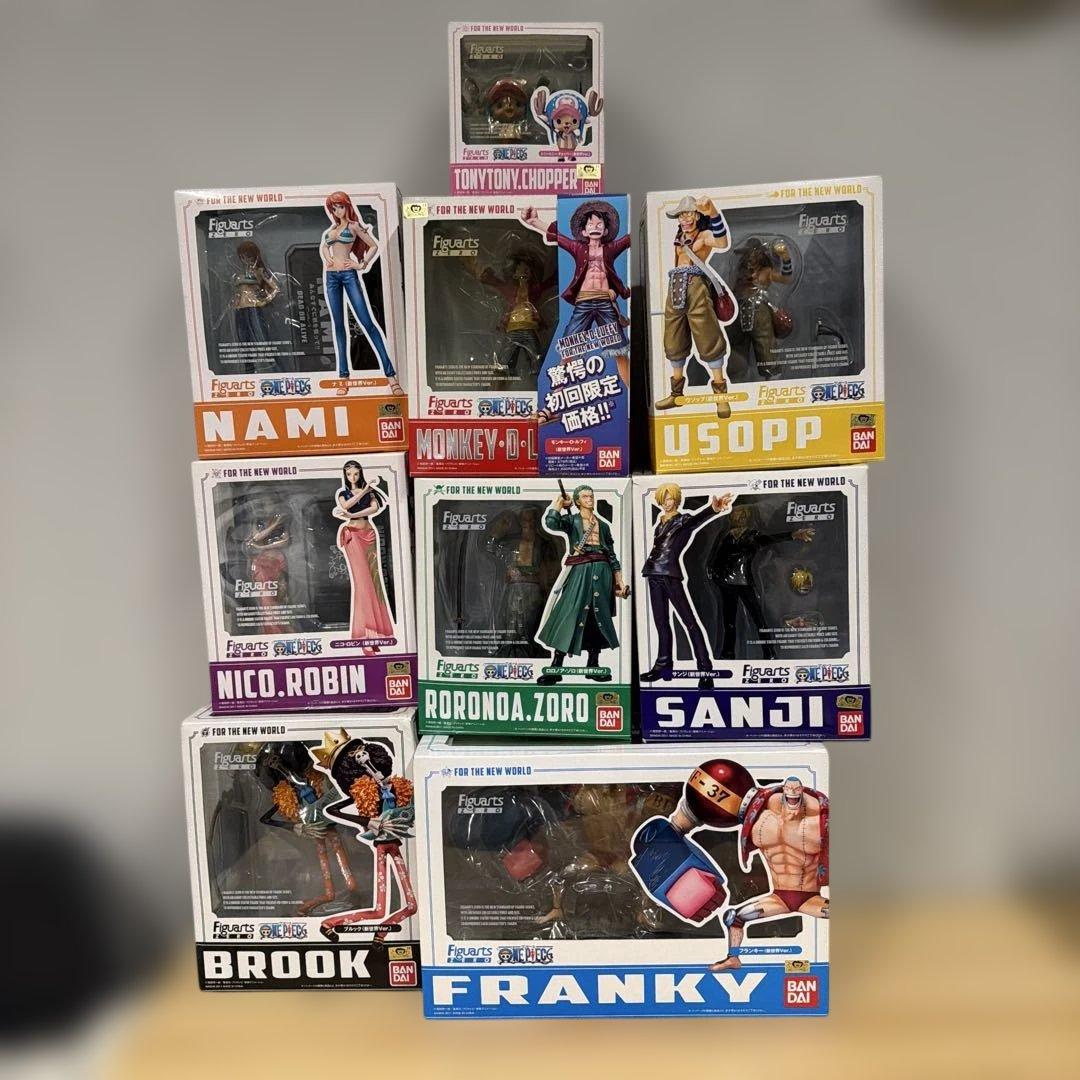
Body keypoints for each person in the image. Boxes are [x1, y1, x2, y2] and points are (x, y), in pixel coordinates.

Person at [311, 731, 417, 947]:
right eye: (354, 755)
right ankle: (329, 923)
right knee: (379, 909)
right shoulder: (360, 792)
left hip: (396, 844)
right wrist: (367, 821)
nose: (361, 755)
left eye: (361, 751)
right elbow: (333, 810)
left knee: (412, 906)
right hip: (381, 846)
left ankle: (381, 932)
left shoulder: (396, 786)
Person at [520, 200, 630, 388]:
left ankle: (631, 396)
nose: (595, 227)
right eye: (590, 224)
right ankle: (556, 397)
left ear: (605, 231)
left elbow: (629, 239)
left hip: (605, 303)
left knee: (620, 352)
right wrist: (535, 221)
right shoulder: (578, 248)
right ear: (584, 231)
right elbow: (559, 238)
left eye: (599, 224)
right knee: (568, 350)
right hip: (584, 303)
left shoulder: (611, 248)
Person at [640, 484, 733, 689]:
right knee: (661, 623)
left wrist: (713, 509)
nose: (667, 503)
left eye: (670, 498)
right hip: (653, 573)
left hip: (669, 574)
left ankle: (705, 669)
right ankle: (663, 665)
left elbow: (696, 520)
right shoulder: (660, 522)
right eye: (664, 499)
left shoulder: (682, 520)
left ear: (677, 499)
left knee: (689, 622)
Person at [535, 485, 629, 685]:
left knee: (598, 615)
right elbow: (551, 522)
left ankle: (593, 665)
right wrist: (559, 503)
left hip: (602, 570)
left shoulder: (603, 526)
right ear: (577, 501)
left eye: (591, 496)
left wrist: (619, 580)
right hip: (580, 569)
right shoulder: (572, 521)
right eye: (585, 496)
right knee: (568, 612)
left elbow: (611, 555)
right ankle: (556, 667)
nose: (590, 499)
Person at [656, 194, 737, 417]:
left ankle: (721, 398)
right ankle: (676, 394)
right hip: (675, 287)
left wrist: (714, 213)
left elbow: (722, 242)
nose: (685, 218)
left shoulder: (704, 236)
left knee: (708, 337)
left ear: (698, 215)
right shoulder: (679, 237)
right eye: (681, 215)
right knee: (673, 340)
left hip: (696, 288)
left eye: (689, 213)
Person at [705, 502, 814, 659]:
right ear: (731, 515)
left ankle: (769, 652)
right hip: (726, 583)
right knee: (729, 621)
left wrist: (792, 535)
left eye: (745, 512)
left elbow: (767, 539)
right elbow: (717, 557)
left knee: (758, 619)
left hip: (744, 581)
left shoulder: (752, 535)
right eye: (738, 511)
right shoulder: (726, 536)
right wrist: (714, 574)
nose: (742, 515)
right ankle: (728, 652)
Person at [320, 191, 402, 393]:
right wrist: (327, 258)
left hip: (349, 275)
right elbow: (324, 246)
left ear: (347, 206)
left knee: (367, 323)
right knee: (339, 327)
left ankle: (391, 377)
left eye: (340, 206)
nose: (337, 211)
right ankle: (343, 377)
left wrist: (361, 264)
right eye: (334, 208)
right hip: (331, 277)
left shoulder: (354, 226)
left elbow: (373, 245)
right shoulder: (332, 229)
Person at [334, 460, 394, 648]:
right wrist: (364, 491)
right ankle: (365, 632)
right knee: (362, 582)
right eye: (349, 474)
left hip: (369, 534)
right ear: (345, 475)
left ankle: (378, 630)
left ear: (360, 473)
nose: (353, 477)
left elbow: (374, 509)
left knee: (374, 580)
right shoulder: (344, 494)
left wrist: (352, 513)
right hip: (353, 536)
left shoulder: (370, 492)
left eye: (356, 473)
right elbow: (346, 505)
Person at [726, 238, 794, 380]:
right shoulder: (740, 274)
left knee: (765, 345)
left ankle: (772, 377)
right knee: (736, 351)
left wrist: (785, 257)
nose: (751, 272)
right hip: (738, 311)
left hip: (759, 311)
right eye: (748, 260)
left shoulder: (766, 271)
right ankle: (737, 377)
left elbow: (786, 279)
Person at [232, 240, 278, 343]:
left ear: (255, 256)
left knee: (260, 337)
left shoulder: (260, 271)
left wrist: (264, 301)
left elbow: (275, 288)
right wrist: (236, 301)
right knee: (243, 339)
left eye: (248, 257)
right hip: (239, 309)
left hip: (253, 308)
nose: (245, 260)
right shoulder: (241, 274)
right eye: (242, 257)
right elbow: (240, 290)